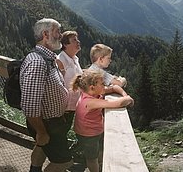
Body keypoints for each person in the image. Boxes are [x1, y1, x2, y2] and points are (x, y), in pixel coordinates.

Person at [20, 18, 73, 172]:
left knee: (42, 147)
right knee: (64, 162)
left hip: (50, 122)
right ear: (45, 34)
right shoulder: (38, 62)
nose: (61, 35)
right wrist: (42, 132)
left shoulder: (48, 58)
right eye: (58, 31)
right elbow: (30, 106)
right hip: (47, 124)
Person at [71, 69, 134, 172]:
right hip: (88, 135)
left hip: (94, 130)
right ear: (92, 87)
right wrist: (128, 99)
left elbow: (114, 87)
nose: (105, 85)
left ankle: (100, 166)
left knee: (99, 151)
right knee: (92, 158)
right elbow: (117, 103)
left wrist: (125, 94)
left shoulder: (91, 92)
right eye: (102, 83)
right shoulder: (90, 102)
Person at [56, 31, 83, 129]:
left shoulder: (75, 59)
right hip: (62, 110)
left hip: (72, 107)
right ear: (65, 44)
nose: (78, 42)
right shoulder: (60, 60)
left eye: (77, 39)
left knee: (64, 130)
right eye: (74, 40)